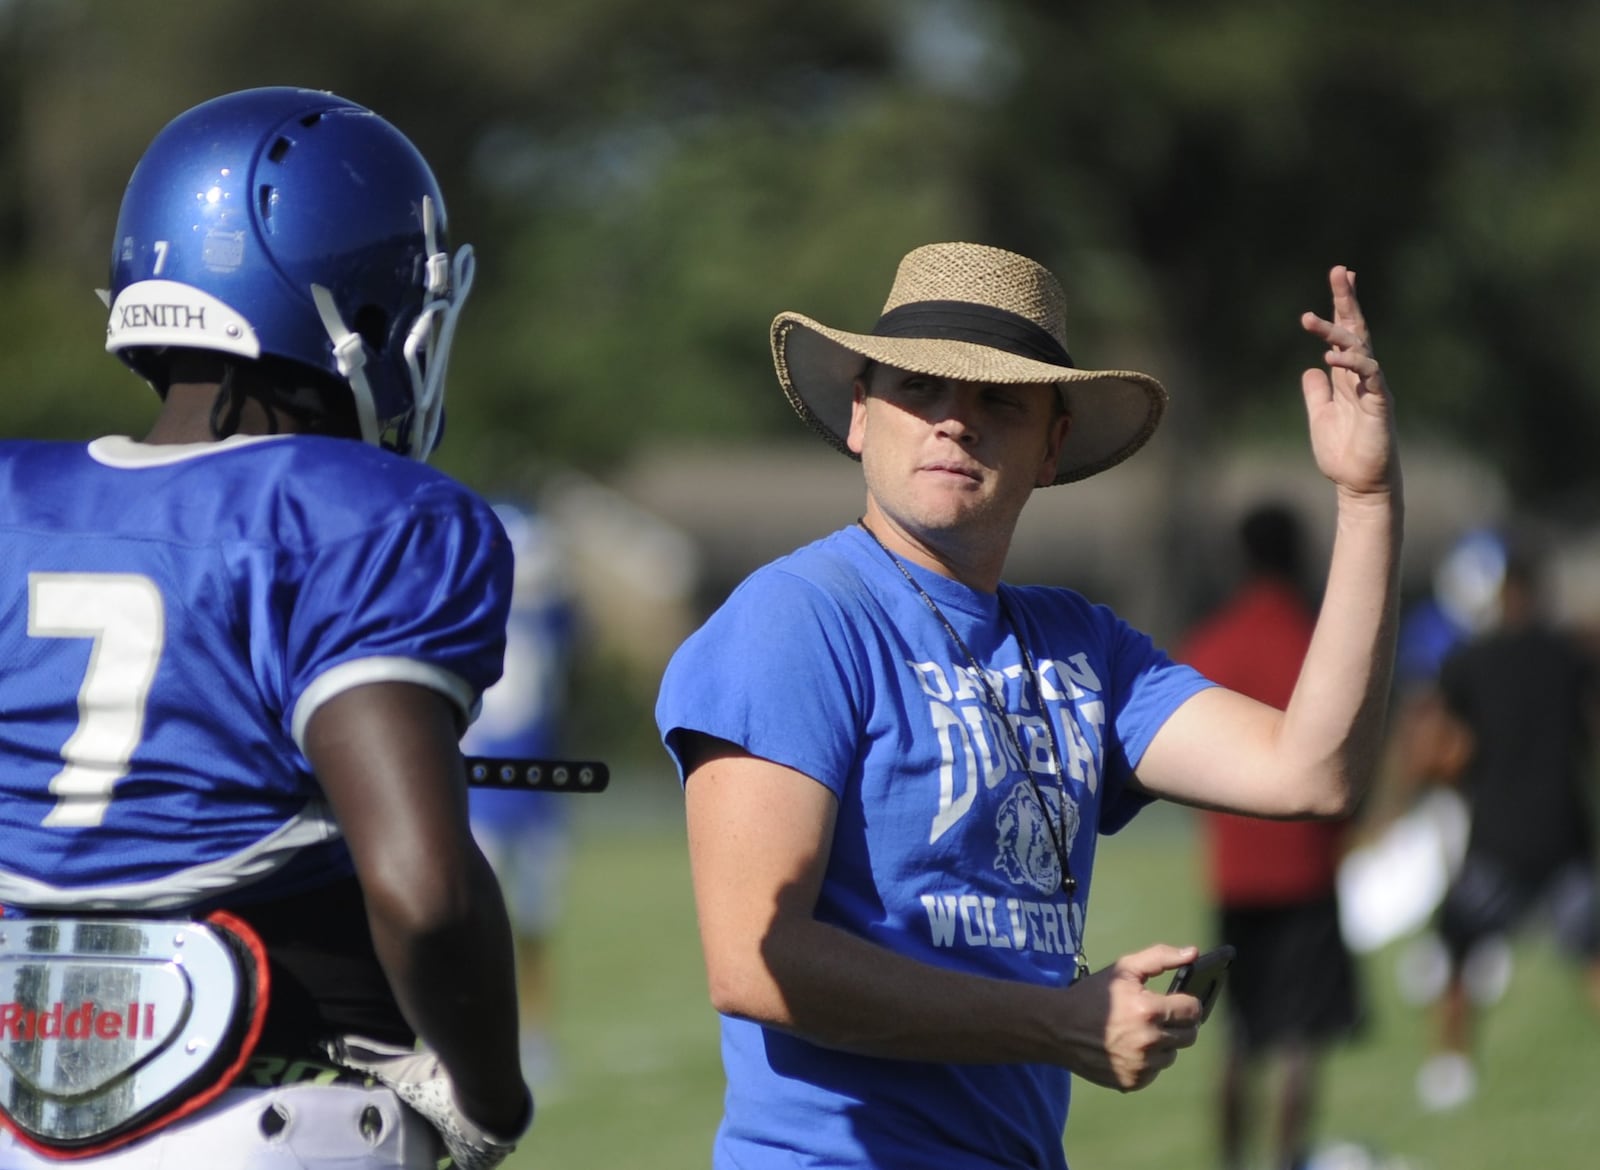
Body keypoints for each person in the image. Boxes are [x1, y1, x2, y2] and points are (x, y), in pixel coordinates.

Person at [654, 241, 1402, 1169]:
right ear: (859, 415)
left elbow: (1315, 769)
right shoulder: (797, 617)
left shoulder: (1079, 643)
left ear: (1051, 446)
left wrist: (1366, 499)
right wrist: (1054, 1022)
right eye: (918, 389)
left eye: (998, 400)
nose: (954, 423)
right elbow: (754, 960)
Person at [0, 88, 532, 1169]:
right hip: (271, 1120)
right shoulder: (362, 514)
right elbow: (424, 894)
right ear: (363, 310)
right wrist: (489, 1092)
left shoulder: (14, 498)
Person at [1177, 501, 1362, 1170]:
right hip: (1307, 868)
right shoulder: (1317, 643)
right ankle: (1287, 1160)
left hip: (1235, 872)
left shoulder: (1212, 642)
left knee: (1233, 1034)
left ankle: (1229, 1161)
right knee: (1297, 1041)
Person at [1412, 533, 1600, 1112]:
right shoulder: (1571, 657)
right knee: (1592, 952)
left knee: (1459, 948)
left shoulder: (1470, 660)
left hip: (1495, 834)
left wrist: (1438, 781)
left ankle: (1451, 1066)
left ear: (1499, 593)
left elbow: (1437, 747)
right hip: (1564, 829)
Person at [459, 499, 579, 1090]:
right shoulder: (465, 615)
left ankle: (536, 1038)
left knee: (534, 926)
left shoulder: (552, 616)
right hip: (481, 796)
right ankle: (473, 1038)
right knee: (470, 926)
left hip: (537, 798)